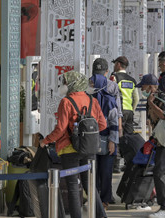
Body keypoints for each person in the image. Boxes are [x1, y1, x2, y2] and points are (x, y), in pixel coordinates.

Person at [40, 71, 108, 218]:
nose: (63, 85)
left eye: (65, 82)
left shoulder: (66, 102)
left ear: (71, 84)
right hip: (89, 148)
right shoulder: (92, 101)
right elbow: (102, 125)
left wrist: (45, 141)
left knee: (72, 186)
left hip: (69, 149)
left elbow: (60, 129)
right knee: (90, 185)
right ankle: (101, 215)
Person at [138, 70, 165, 218]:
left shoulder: (161, 97)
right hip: (163, 140)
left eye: (143, 87)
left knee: (159, 172)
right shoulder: (151, 99)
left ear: (151, 86)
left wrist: (151, 103)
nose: (141, 90)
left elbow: (164, 115)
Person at [89, 59, 121, 208]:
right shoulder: (113, 86)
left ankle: (93, 198)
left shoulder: (87, 86)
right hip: (108, 134)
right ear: (107, 72)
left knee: (91, 170)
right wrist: (114, 140)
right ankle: (105, 199)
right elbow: (116, 114)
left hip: (89, 136)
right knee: (106, 170)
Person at [112, 56, 138, 135]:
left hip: (120, 111)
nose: (114, 66)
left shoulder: (115, 77)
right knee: (129, 136)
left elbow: (112, 94)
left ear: (118, 64)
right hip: (129, 111)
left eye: (115, 64)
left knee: (118, 135)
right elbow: (136, 99)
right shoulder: (132, 80)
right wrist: (132, 110)